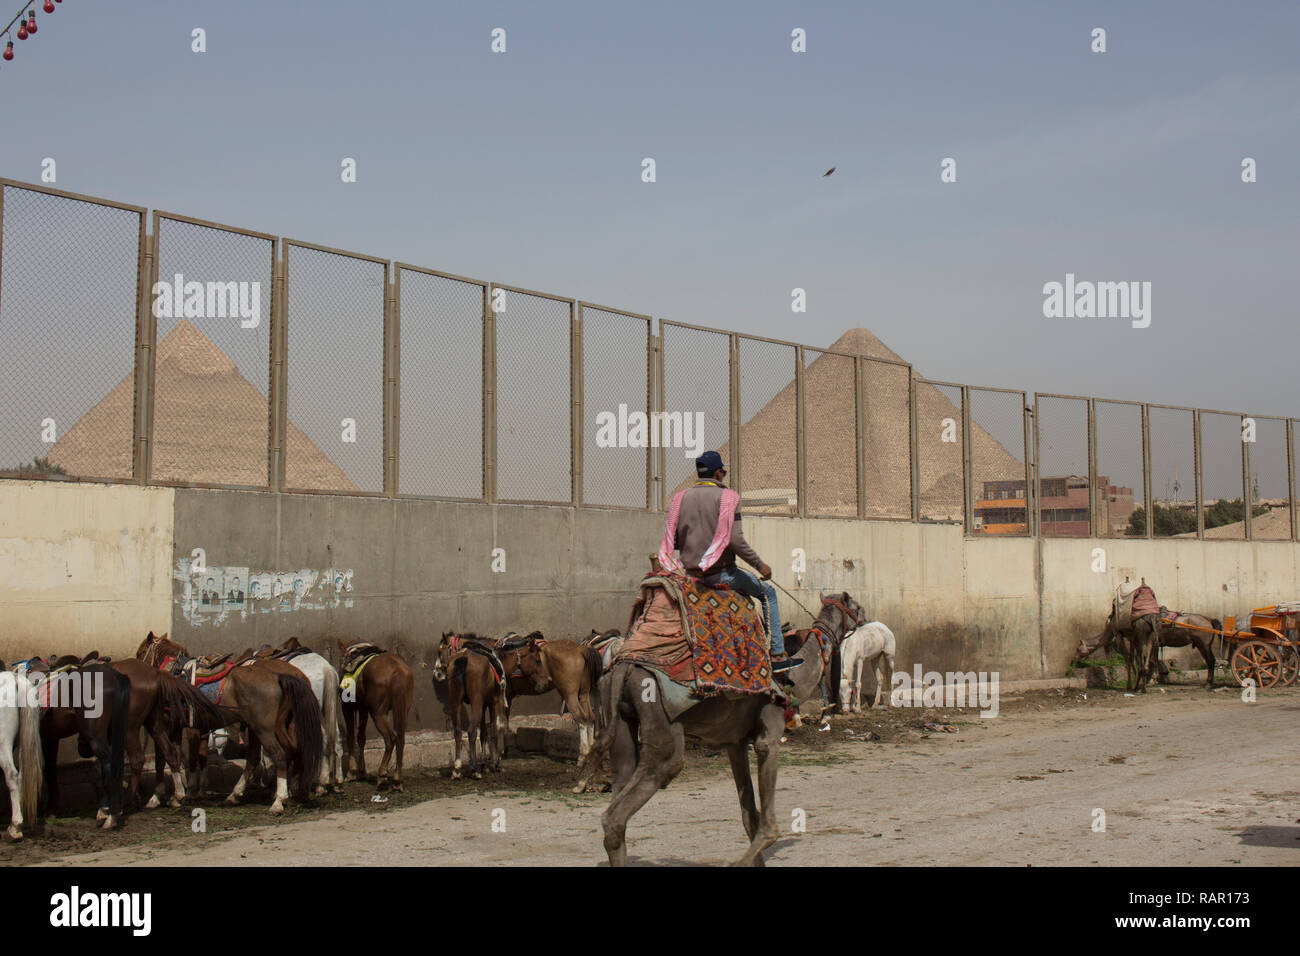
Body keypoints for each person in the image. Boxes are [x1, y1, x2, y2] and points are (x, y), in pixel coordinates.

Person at [658, 450, 798, 674]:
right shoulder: (728, 498)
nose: (723, 475)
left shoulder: (680, 498)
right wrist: (761, 566)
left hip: (690, 574)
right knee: (769, 594)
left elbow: (673, 540)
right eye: (722, 471)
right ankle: (778, 654)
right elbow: (735, 541)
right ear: (717, 473)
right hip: (721, 574)